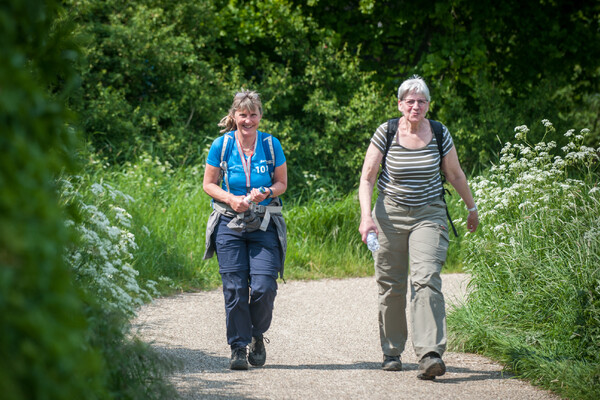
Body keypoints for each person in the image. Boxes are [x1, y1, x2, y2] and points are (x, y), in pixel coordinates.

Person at [358, 75, 479, 380]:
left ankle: (429, 353)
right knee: (391, 283)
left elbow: (455, 173)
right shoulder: (386, 132)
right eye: (409, 101)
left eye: (421, 101)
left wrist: (471, 207)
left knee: (426, 279)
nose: (415, 106)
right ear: (400, 104)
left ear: (428, 105)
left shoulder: (439, 132)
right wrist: (366, 217)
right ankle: (392, 350)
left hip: (429, 214)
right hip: (389, 215)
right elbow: (368, 178)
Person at [203, 89, 287, 370]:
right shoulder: (222, 145)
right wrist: (230, 199)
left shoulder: (271, 144)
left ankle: (256, 334)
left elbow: (282, 184)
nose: (248, 120)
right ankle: (238, 347)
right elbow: (209, 184)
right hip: (229, 222)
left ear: (260, 116)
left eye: (253, 115)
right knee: (235, 287)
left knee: (264, 286)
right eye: (243, 115)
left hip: (264, 222)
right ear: (234, 116)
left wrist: (266, 191)